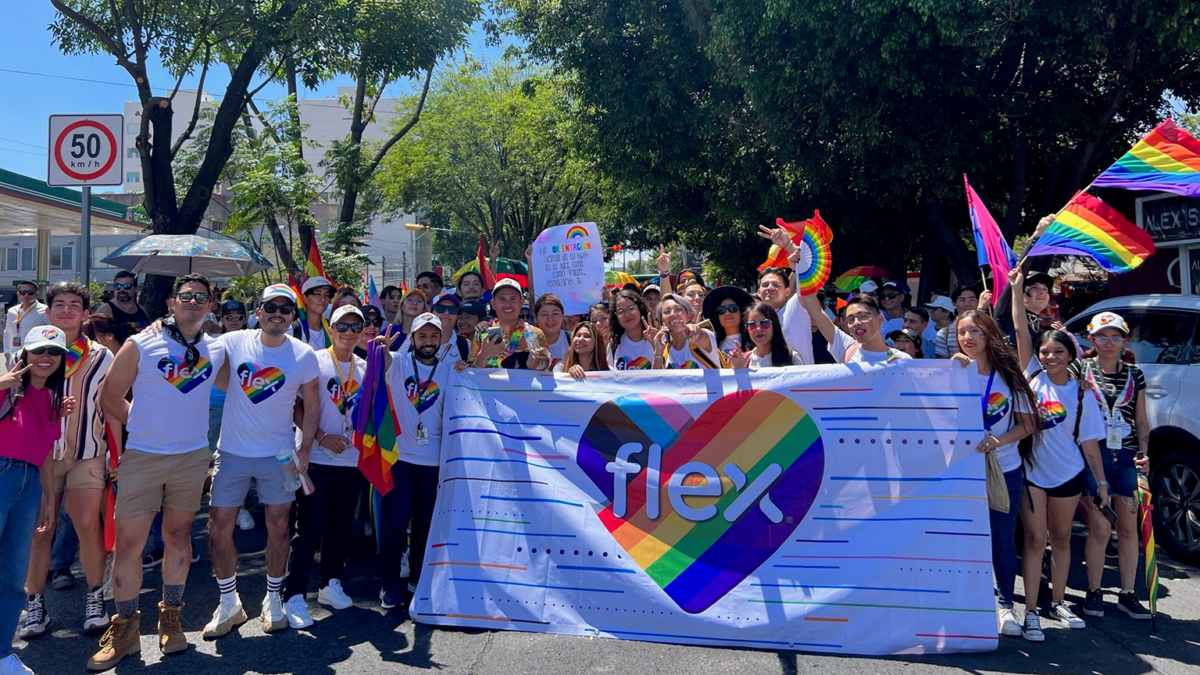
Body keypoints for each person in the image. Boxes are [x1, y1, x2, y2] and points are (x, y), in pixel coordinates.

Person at [88, 274, 227, 669]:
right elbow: (108, 397)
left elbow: (248, 372)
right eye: (186, 296)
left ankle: (171, 619)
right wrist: (142, 423)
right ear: (171, 301)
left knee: (178, 537)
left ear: (210, 305)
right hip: (144, 456)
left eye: (201, 297)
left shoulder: (215, 347)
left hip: (192, 456)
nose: (194, 302)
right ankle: (127, 629)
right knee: (130, 544)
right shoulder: (140, 343)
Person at [204, 284, 320, 638]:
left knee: (280, 526)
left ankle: (273, 598)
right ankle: (229, 603)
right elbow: (192, 346)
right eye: (271, 306)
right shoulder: (233, 341)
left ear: (292, 317)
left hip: (280, 456)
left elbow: (312, 405)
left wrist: (305, 449)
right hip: (233, 452)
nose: (278, 314)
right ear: (259, 310)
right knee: (217, 527)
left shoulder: (303, 354)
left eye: (286, 309)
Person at [1008, 269, 1108, 641]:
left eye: (1057, 351)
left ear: (1071, 355)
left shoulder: (1082, 394)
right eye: (1045, 351)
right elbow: (1021, 329)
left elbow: (1090, 443)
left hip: (1068, 474)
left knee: (1062, 539)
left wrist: (1100, 484)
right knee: (1035, 541)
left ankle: (1059, 601)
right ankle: (1031, 611)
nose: (1049, 356)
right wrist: (1017, 291)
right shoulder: (1032, 374)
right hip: (1032, 473)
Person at [21, 282, 114, 640]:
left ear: (85, 313)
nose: (66, 310)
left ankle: (95, 599)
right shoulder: (29, 353)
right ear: (48, 311)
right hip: (40, 455)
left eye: (74, 304)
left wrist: (116, 455)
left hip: (86, 453)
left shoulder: (100, 356)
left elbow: (112, 407)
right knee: (39, 531)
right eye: (58, 304)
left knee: (87, 524)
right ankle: (35, 605)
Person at [951, 309, 1039, 638]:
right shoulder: (952, 370)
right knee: (964, 540)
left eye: (976, 331)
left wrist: (996, 441)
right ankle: (969, 603)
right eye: (962, 332)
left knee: (1002, 539)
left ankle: (1004, 605)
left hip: (1005, 469)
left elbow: (1028, 425)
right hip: (961, 471)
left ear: (989, 335)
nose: (968, 338)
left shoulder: (1009, 375)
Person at [284, 306, 370, 628]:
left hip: (351, 459)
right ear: (330, 330)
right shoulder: (314, 361)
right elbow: (294, 407)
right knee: (309, 529)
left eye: (356, 326)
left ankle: (329, 583)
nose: (349, 332)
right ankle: (294, 594)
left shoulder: (365, 367)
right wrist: (319, 437)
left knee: (340, 526)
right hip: (317, 457)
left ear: (362, 332)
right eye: (342, 326)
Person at [0, 326, 71, 675]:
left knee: (14, 573)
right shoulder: (6, 385)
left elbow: (45, 455)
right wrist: (4, 383)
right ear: (25, 354)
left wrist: (47, 498)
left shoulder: (51, 400)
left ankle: (2, 653)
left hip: (29, 484)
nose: (46, 357)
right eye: (39, 350)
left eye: (54, 352)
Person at [1077, 312, 1153, 620]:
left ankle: (1128, 593)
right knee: (1100, 527)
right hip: (1093, 455)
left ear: (1125, 340)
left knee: (1127, 526)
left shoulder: (1136, 374)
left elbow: (1142, 419)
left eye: (1116, 336)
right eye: (1103, 336)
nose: (1110, 342)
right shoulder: (1078, 369)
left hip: (1127, 456)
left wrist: (1145, 453)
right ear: (1091, 339)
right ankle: (1093, 591)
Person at [381, 313, 454, 607]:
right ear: (412, 339)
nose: (428, 342)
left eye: (433, 336)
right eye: (422, 336)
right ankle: (388, 583)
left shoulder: (448, 369)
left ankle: (417, 578)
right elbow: (382, 365)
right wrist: (382, 350)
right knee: (396, 522)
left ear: (440, 339)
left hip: (434, 461)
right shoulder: (399, 362)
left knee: (425, 523)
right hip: (401, 458)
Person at [461, 280, 551, 371]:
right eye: (502, 299)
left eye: (513, 299)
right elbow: (471, 374)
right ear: (493, 304)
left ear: (521, 302)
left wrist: (536, 367)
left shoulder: (535, 334)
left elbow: (547, 372)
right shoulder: (483, 334)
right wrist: (483, 356)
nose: (508, 305)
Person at [800, 290, 910, 364]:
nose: (856, 323)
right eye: (851, 319)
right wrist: (800, 269)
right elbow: (816, 311)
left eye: (863, 316)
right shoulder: (847, 348)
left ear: (880, 319)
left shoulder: (902, 360)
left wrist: (901, 371)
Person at [655, 294, 726, 369]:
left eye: (678, 309)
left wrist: (695, 331)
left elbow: (700, 335)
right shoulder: (664, 349)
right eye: (666, 311)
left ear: (689, 316)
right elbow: (655, 379)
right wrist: (658, 353)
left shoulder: (706, 336)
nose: (672, 314)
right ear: (662, 319)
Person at [729, 302, 803, 368]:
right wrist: (738, 369)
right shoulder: (743, 360)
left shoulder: (791, 356)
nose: (758, 329)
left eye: (764, 323)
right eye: (752, 324)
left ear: (774, 325)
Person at [606, 290, 655, 371]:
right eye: (620, 312)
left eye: (631, 308)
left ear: (640, 308)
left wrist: (655, 345)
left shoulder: (657, 339)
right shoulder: (613, 344)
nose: (627, 315)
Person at [4, 281, 48, 369]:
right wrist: (7, 352)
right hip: (15, 355)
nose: (26, 295)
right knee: (14, 381)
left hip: (35, 356)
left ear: (37, 293)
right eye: (23, 293)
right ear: (18, 294)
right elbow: (8, 332)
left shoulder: (45, 311)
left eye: (30, 292)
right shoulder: (12, 311)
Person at [94, 272, 150, 342]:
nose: (122, 290)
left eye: (127, 286)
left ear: (136, 288)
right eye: (118, 286)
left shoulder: (142, 310)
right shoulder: (105, 311)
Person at [703, 286, 751, 356]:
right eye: (721, 310)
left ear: (742, 313)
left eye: (733, 308)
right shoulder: (712, 344)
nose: (727, 313)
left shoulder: (753, 340)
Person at [533, 294, 569, 368]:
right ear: (535, 318)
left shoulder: (573, 340)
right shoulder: (526, 343)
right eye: (544, 314)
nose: (550, 319)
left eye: (555, 314)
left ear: (563, 316)